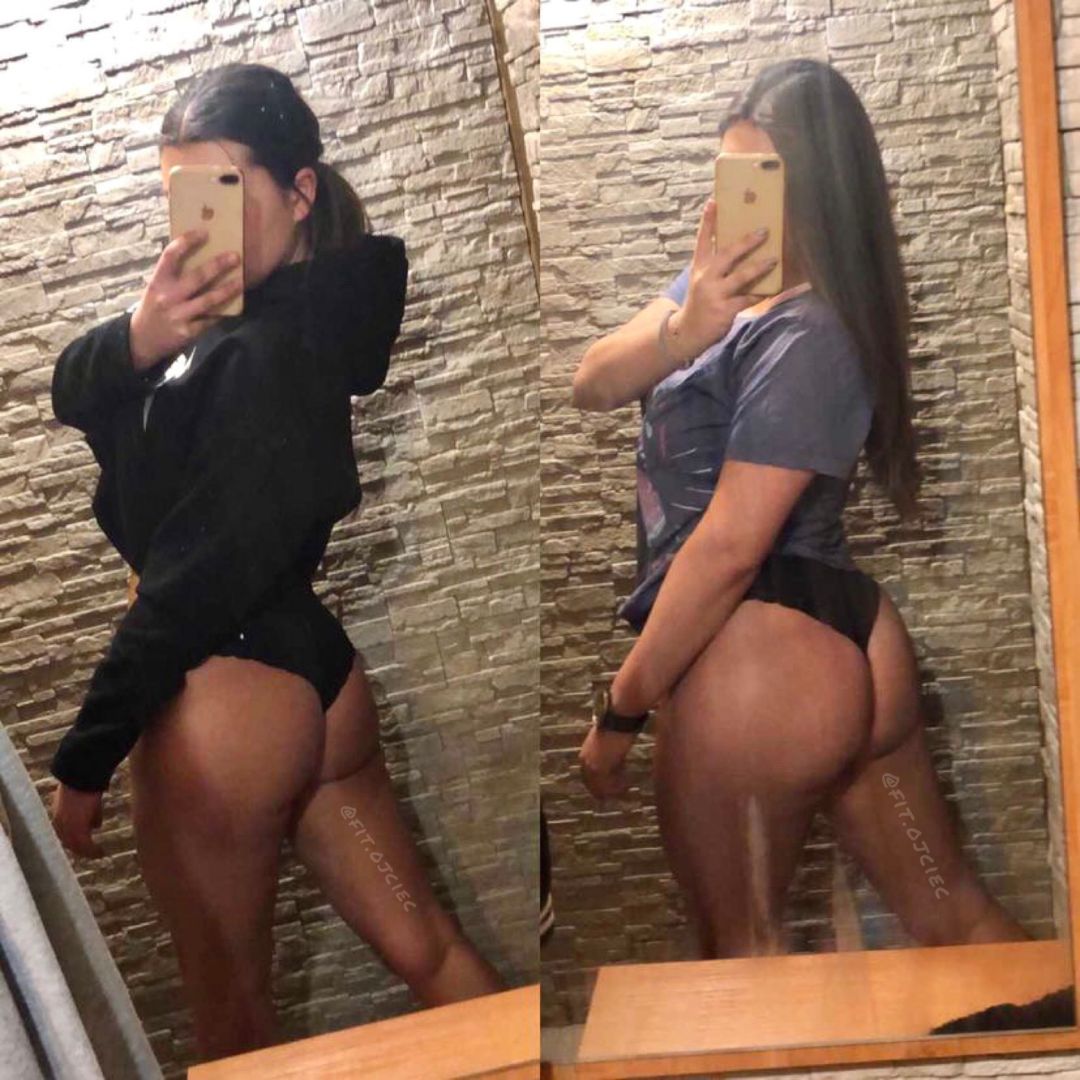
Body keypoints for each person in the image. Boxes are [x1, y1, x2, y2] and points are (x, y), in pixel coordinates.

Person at [47, 63, 502, 1060]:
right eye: (180, 198)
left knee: (232, 1027)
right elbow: (71, 391)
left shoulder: (262, 355)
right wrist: (140, 336)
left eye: (220, 191)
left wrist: (87, 756)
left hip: (225, 692)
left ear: (299, 192)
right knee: (427, 948)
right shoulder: (250, 328)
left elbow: (191, 577)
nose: (194, 226)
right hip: (314, 691)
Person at [572, 58, 1028, 959]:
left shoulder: (811, 331)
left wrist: (621, 710)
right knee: (954, 917)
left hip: (757, 653)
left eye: (761, 179)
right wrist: (686, 327)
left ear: (819, 191)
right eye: (729, 174)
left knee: (740, 956)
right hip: (842, 638)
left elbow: (730, 547)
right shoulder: (717, 293)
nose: (737, 205)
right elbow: (590, 381)